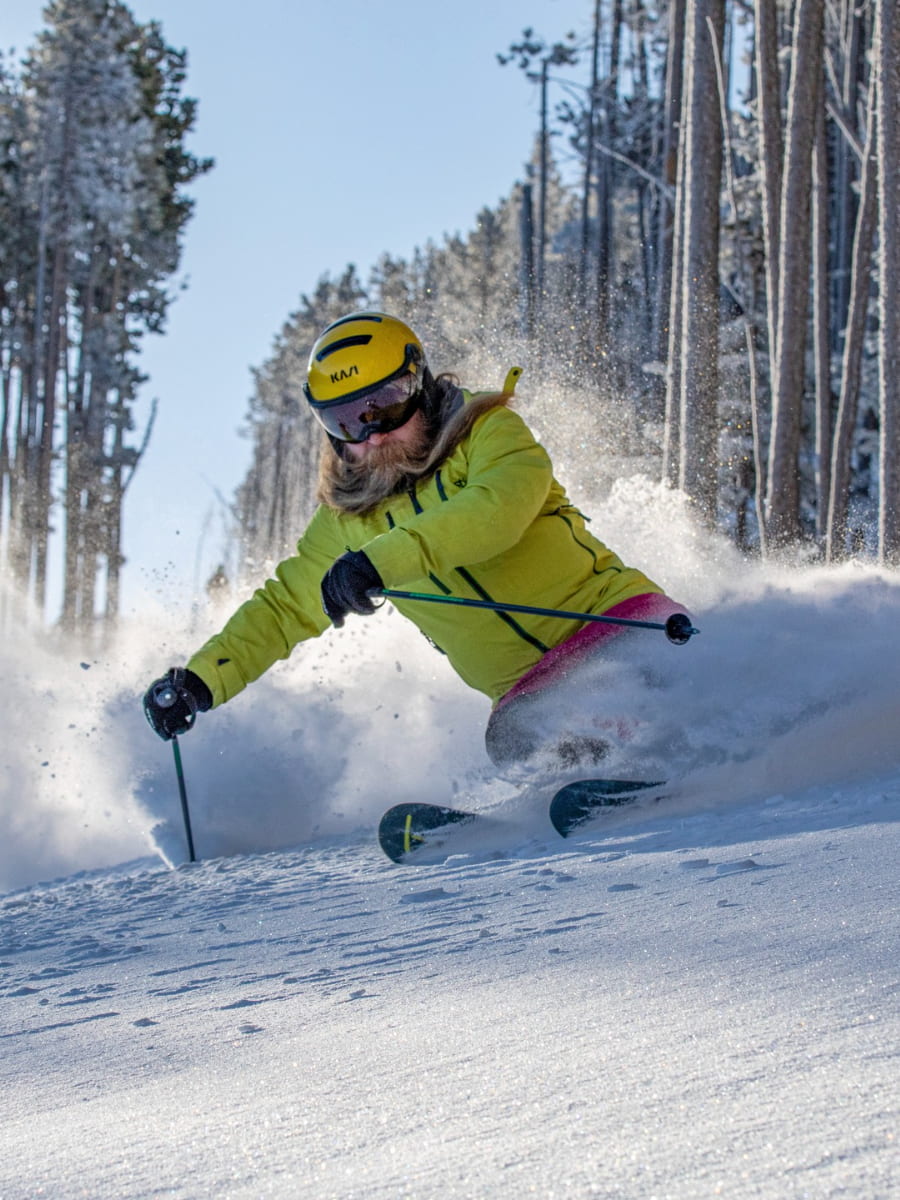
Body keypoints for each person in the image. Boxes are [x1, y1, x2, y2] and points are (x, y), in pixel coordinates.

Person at [143, 311, 690, 770]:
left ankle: (676, 747)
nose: (373, 432)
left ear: (421, 386)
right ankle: (600, 776)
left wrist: (381, 563)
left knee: (629, 683)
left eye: (386, 404)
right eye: (348, 421)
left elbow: (495, 513)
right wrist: (199, 680)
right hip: (530, 691)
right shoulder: (346, 522)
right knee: (511, 742)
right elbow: (284, 608)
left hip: (621, 626)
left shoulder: (489, 433)